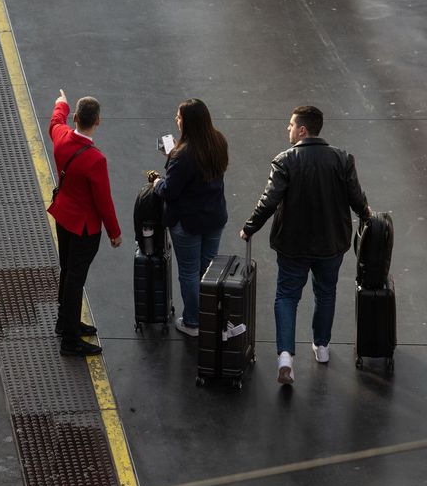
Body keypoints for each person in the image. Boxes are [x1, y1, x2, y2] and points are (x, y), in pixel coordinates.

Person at [240, 106, 371, 386]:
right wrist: (367, 215)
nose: (287, 129)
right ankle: (322, 347)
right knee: (326, 293)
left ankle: (286, 357)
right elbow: (356, 198)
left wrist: (250, 227)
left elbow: (270, 200)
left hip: (292, 244)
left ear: (302, 130)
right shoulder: (342, 159)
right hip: (331, 243)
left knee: (287, 296)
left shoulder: (285, 160)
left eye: (290, 125)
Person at [47, 89, 122, 356]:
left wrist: (61, 104)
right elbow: (104, 201)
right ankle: (70, 339)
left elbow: (55, 122)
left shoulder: (61, 138)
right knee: (75, 279)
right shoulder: (95, 159)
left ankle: (65, 322)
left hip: (63, 217)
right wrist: (115, 232)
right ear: (98, 121)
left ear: (76, 117)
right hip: (85, 228)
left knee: (67, 272)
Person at [153, 99, 229, 337]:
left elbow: (170, 190)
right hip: (214, 217)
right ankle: (209, 316)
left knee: (188, 271)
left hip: (187, 222)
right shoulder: (218, 142)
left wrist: (157, 182)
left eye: (179, 117)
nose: (176, 120)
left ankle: (193, 322)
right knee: (207, 270)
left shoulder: (183, 155)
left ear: (187, 122)